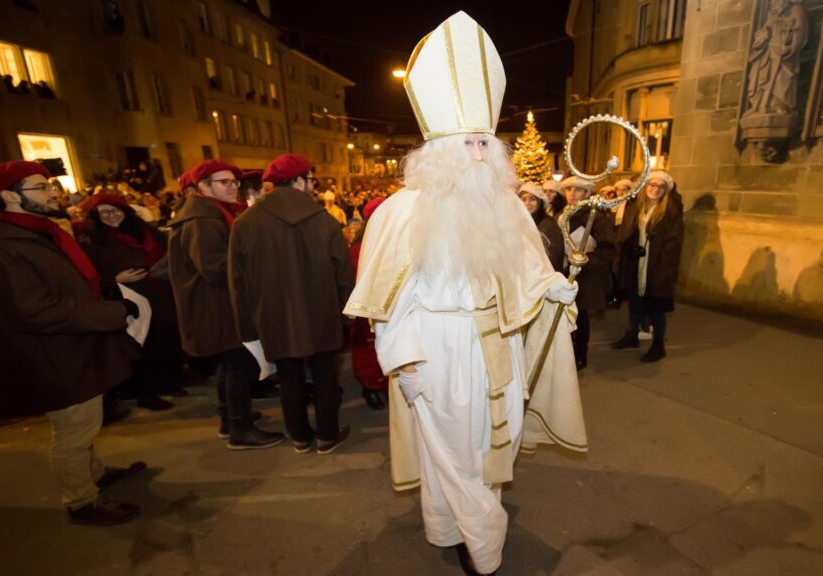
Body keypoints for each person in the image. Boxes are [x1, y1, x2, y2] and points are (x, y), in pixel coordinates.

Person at [344, 12, 587, 575]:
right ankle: (484, 547)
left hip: (497, 346)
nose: (482, 152)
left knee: (487, 450)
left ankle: (451, 527)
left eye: (486, 142)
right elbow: (387, 301)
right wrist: (403, 361)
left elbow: (526, 271)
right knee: (454, 455)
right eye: (470, 143)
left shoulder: (504, 206)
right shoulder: (402, 212)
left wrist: (554, 287)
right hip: (438, 349)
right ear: (441, 153)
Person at [0, 161, 146, 526]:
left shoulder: (34, 233)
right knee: (72, 430)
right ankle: (81, 501)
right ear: (8, 196)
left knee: (83, 424)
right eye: (41, 187)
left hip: (71, 346)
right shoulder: (0, 248)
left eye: (51, 185)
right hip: (53, 355)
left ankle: (94, 472)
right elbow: (36, 311)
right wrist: (114, 313)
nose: (54, 192)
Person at [228, 154, 354, 455]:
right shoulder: (323, 220)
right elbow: (343, 273)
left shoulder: (246, 223)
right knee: (325, 373)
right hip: (322, 312)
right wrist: (348, 314)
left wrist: (246, 325)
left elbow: (237, 280)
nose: (312, 186)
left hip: (274, 316)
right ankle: (327, 435)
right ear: (297, 181)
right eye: (309, 180)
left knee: (288, 376)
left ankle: (299, 436)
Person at [167, 159, 282, 450]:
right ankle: (240, 428)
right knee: (239, 364)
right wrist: (255, 267)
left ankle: (229, 418)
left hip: (218, 304)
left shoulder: (212, 211)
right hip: (219, 306)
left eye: (234, 182)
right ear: (203, 187)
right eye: (224, 182)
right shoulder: (204, 219)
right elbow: (215, 268)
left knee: (230, 364)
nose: (233, 187)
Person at [79, 193, 186, 409]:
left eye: (115, 210)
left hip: (159, 294)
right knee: (141, 345)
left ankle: (166, 382)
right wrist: (113, 279)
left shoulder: (146, 231)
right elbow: (87, 273)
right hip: (129, 299)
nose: (111, 216)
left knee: (164, 340)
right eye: (104, 212)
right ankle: (145, 393)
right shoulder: (92, 239)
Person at [612, 170, 684, 362]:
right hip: (637, 263)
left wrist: (663, 271)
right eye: (652, 185)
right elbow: (626, 232)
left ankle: (658, 345)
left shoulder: (670, 212)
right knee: (635, 302)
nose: (655, 189)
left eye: (661, 186)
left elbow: (673, 244)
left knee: (656, 307)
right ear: (645, 186)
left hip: (656, 265)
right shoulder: (636, 206)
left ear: (666, 190)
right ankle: (632, 334)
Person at [559, 176, 616, 370]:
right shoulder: (562, 214)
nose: (572, 194)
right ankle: (565, 353)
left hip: (586, 274)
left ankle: (580, 354)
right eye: (569, 189)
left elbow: (608, 249)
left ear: (587, 194)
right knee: (564, 316)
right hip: (563, 271)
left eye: (578, 190)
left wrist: (588, 259)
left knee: (580, 316)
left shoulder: (596, 218)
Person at [348, 198, 388, 410]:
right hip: (367, 306)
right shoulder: (358, 247)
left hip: (388, 303)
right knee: (368, 349)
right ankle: (370, 387)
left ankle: (385, 383)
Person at [519, 182, 564, 270]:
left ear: (540, 202)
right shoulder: (520, 221)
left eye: (532, 199)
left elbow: (552, 257)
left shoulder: (548, 224)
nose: (527, 203)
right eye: (523, 199)